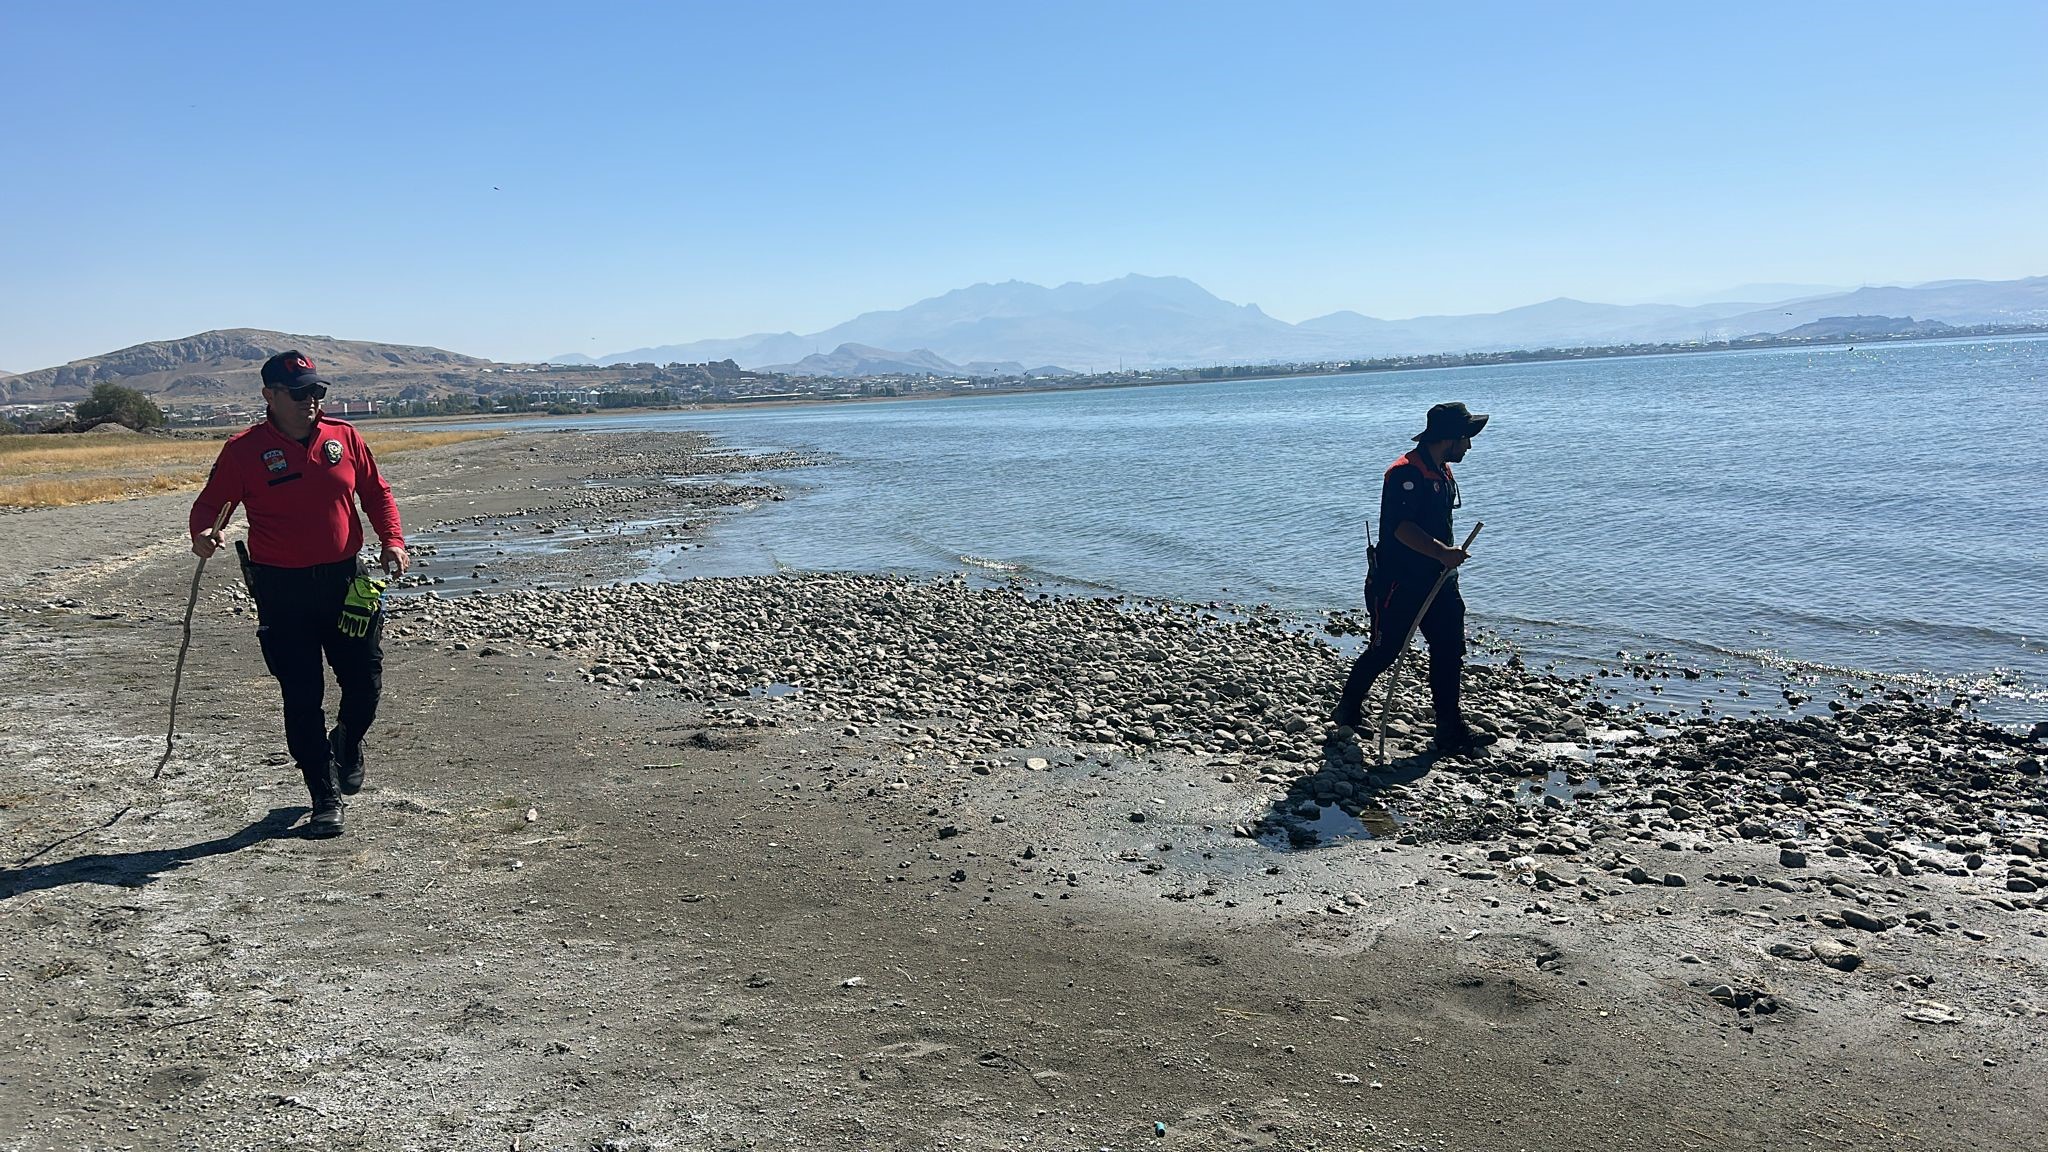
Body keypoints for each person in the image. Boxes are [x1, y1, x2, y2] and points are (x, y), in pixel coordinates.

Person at [188, 351, 410, 837]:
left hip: (348, 583)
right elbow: (209, 506)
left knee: (366, 681)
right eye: (300, 393)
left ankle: (347, 742)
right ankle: (324, 797)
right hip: (282, 590)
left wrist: (392, 541)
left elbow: (376, 493)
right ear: (270, 396)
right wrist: (204, 534)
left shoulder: (345, 437)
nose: (312, 401)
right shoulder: (243, 450)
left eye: (317, 391)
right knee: (302, 695)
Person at [1332, 401, 1491, 756]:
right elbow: (1401, 529)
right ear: (1447, 437)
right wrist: (1442, 553)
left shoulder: (1443, 470)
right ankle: (1348, 710)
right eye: (1465, 438)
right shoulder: (1404, 473)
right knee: (1385, 650)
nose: (1468, 446)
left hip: (1440, 582)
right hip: (1399, 582)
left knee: (1449, 651)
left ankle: (1449, 728)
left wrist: (1444, 561)